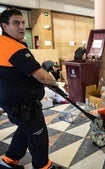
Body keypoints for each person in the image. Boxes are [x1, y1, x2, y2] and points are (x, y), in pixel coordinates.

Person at [0, 8, 60, 169]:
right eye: (16, 23)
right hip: (24, 105)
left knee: (25, 130)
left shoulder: (4, 44)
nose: (21, 26)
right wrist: (54, 82)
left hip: (12, 102)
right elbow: (42, 77)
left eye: (23, 22)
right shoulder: (13, 48)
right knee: (38, 135)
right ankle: (43, 166)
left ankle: (9, 160)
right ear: (4, 26)